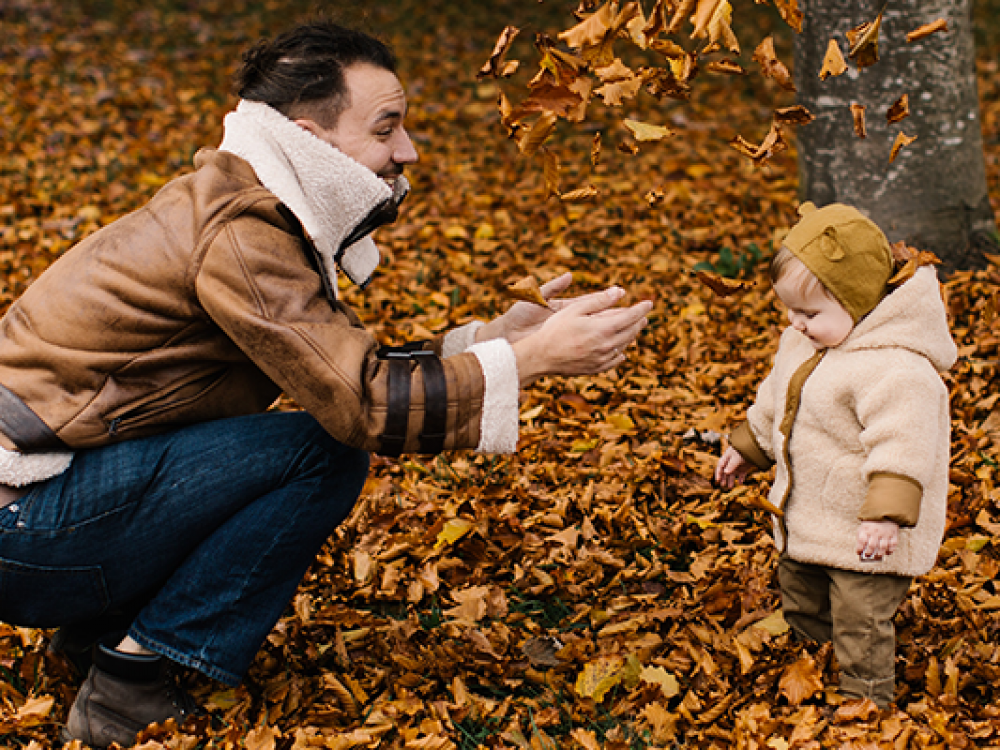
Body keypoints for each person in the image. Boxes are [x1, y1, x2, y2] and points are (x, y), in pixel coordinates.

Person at [0, 21, 652, 747]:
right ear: (311, 138)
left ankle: (96, 635)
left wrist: (496, 340)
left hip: (37, 508)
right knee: (323, 454)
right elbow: (359, 406)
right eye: (387, 127)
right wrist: (533, 362)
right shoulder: (242, 231)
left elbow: (331, 370)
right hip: (20, 536)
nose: (407, 151)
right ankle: (128, 682)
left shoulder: (237, 204)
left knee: (291, 441)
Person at [714, 202, 956, 708]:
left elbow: (904, 443)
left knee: (859, 617)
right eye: (788, 309)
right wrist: (748, 447)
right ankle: (811, 665)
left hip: (867, 532)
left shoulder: (895, 368)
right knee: (800, 593)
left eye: (809, 313)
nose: (794, 323)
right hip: (809, 517)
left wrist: (886, 516)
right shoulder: (801, 345)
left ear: (859, 302)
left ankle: (864, 701)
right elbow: (776, 401)